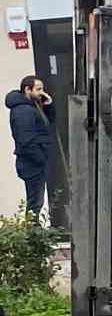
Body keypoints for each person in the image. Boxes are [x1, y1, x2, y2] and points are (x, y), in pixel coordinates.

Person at [6, 74, 53, 218]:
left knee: (36, 203)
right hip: (32, 164)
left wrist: (48, 105)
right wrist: (41, 160)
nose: (42, 93)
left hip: (35, 162)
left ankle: (34, 235)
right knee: (35, 204)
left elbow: (48, 124)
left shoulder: (32, 106)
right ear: (27, 89)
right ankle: (33, 236)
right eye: (38, 89)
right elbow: (26, 140)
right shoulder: (23, 111)